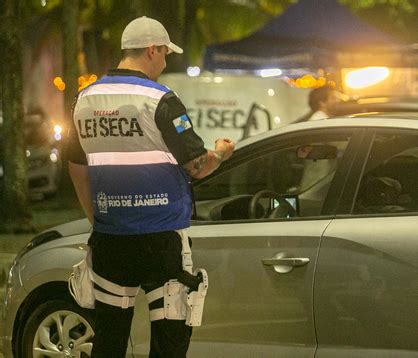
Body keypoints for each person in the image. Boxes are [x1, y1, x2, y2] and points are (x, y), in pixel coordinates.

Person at [67, 16, 235, 358]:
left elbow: (76, 166)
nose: (164, 62)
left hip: (111, 239)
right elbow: (197, 166)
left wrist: (96, 218)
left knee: (110, 339)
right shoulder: (160, 99)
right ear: (152, 50)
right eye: (164, 55)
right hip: (161, 239)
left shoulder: (86, 98)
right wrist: (221, 152)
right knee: (170, 338)